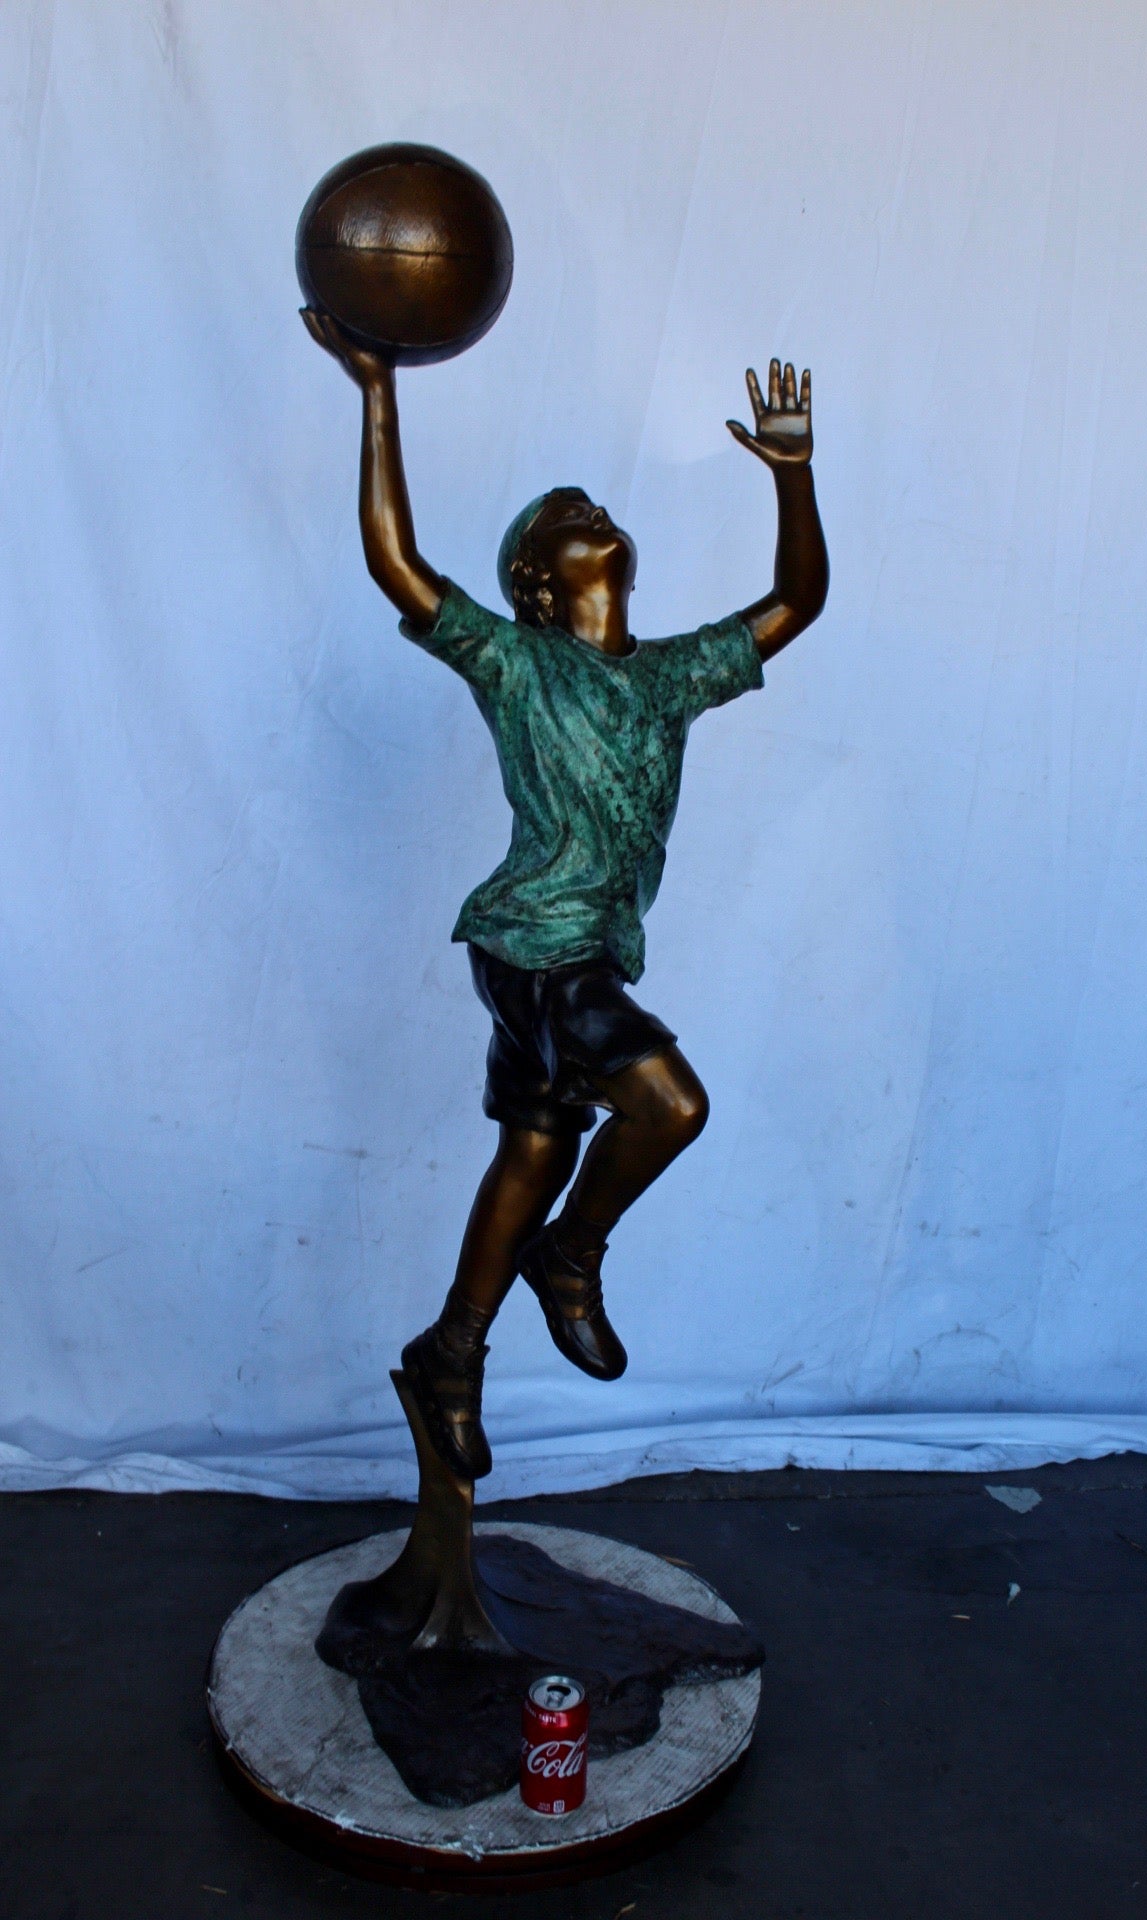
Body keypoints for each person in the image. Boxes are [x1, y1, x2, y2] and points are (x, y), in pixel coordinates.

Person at [303, 309, 829, 1481]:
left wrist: (794, 480)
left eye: (593, 506)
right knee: (670, 1107)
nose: (586, 508)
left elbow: (795, 602)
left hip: (580, 949)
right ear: (536, 587)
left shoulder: (677, 674)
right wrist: (376, 388)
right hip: (539, 945)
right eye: (559, 519)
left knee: (533, 1157)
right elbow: (396, 561)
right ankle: (571, 1260)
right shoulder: (514, 661)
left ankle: (451, 1351)